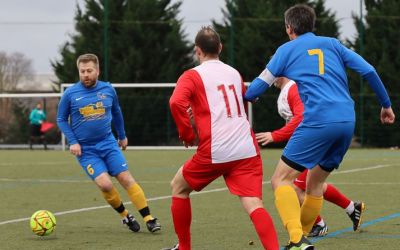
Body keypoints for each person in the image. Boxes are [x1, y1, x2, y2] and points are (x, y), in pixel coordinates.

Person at [245, 4, 395, 249]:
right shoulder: (333, 44)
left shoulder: (286, 50)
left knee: (280, 180)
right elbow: (369, 70)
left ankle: (296, 239)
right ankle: (302, 236)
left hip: (318, 121)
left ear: (289, 28)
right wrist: (386, 105)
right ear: (312, 26)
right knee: (315, 183)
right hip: (347, 121)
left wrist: (247, 97)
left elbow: (256, 89)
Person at [163, 26, 279, 250]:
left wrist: (186, 133)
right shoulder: (234, 73)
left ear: (197, 51)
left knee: (178, 187)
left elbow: (176, 102)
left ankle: (184, 247)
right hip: (246, 147)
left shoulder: (192, 75)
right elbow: (236, 104)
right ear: (220, 48)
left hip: (217, 149)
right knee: (254, 203)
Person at [56, 53, 161, 234]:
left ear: (97, 70)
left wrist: (122, 135)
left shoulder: (108, 89)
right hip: (86, 150)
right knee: (105, 185)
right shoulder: (70, 94)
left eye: (89, 71)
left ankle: (149, 218)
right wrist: (73, 142)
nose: (86, 75)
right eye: (82, 71)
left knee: (126, 178)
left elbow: (117, 112)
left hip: (108, 143)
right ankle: (125, 215)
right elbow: (61, 119)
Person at [256, 77, 365, 237]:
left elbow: (302, 117)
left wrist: (276, 136)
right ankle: (350, 207)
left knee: (293, 186)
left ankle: (318, 224)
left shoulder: (293, 88)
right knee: (312, 182)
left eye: (273, 72)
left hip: (313, 142)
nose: (271, 79)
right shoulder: (289, 89)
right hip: (315, 140)